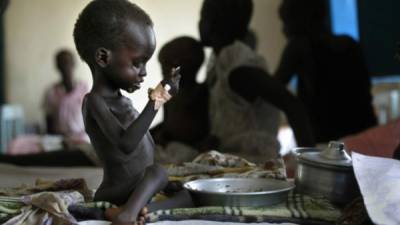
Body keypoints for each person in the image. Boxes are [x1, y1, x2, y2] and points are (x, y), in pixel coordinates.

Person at [73, 0, 189, 224]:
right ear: (104, 58)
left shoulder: (122, 101)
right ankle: (127, 214)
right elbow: (126, 144)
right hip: (115, 189)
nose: (144, 72)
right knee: (158, 173)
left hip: (135, 186)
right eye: (138, 63)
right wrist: (158, 100)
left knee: (186, 195)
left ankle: (141, 209)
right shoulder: (94, 101)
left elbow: (143, 140)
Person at [199, 0, 315, 162]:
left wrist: (310, 167)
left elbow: (293, 106)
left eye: (203, 16)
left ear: (215, 22)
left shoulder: (238, 69)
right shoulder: (221, 64)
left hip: (254, 167)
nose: (200, 23)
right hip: (232, 165)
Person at [275, 0, 377, 142]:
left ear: (299, 20)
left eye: (286, 22)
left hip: (327, 141)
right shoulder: (350, 43)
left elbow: (274, 87)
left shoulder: (299, 46)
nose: (283, 30)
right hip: (365, 133)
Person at [151, 36, 214, 152]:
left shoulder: (200, 92)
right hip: (171, 145)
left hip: (192, 147)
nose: (162, 70)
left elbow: (207, 125)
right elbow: (166, 123)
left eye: (166, 65)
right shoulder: (168, 95)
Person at [42, 49, 89, 144]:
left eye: (67, 62)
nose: (65, 67)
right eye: (61, 63)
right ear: (57, 66)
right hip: (60, 140)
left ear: (74, 64)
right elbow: (49, 123)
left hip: (82, 138)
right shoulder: (51, 92)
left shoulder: (84, 89)